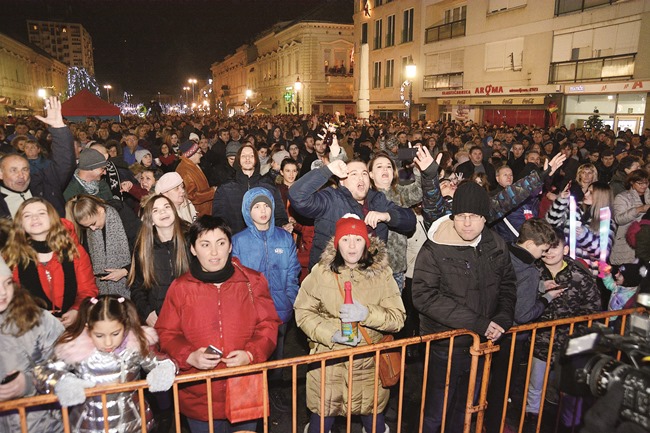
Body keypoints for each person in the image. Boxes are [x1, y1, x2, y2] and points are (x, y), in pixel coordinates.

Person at [155, 216, 281, 433]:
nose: (214, 253)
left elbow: (268, 324)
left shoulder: (253, 281)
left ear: (230, 246)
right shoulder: (180, 287)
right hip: (200, 394)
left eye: (220, 243)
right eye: (205, 245)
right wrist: (188, 356)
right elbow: (167, 332)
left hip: (244, 388)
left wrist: (251, 354)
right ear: (193, 249)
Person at [412, 181, 517, 433]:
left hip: (483, 345)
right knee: (435, 413)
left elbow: (508, 285)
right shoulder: (434, 248)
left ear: (484, 218)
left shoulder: (496, 244)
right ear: (453, 216)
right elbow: (424, 296)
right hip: (446, 346)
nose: (467, 223)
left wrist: (503, 318)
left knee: (468, 408)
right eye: (461, 216)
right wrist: (477, 323)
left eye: (474, 216)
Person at [294, 215, 405, 433]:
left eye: (358, 239)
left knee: (374, 425)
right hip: (328, 365)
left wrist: (366, 313)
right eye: (345, 240)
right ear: (336, 243)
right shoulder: (321, 272)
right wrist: (332, 334)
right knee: (320, 424)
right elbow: (303, 311)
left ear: (367, 243)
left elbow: (398, 317)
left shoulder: (381, 274)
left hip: (369, 367)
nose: (352, 246)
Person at [34, 295, 176, 433]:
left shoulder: (135, 346)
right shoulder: (74, 348)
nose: (108, 343)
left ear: (125, 326)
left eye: (115, 334)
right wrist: (62, 383)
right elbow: (44, 372)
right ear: (88, 327)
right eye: (99, 336)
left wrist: (165, 369)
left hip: (133, 424)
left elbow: (161, 361)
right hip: (88, 425)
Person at [484, 219, 564, 433]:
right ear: (530, 244)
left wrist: (538, 286)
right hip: (511, 337)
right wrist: (546, 297)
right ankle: (494, 426)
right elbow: (524, 314)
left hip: (488, 327)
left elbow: (511, 282)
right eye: (543, 249)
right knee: (502, 387)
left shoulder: (504, 251)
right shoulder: (530, 271)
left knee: (482, 380)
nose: (544, 255)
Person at [231, 187, 300, 410]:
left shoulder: (284, 238)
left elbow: (292, 272)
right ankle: (255, 397)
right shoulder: (238, 241)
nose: (263, 211)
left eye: (266, 206)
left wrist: (290, 300)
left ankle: (276, 391)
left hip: (279, 310)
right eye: (257, 207)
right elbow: (235, 278)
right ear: (247, 211)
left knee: (277, 355)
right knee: (254, 354)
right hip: (250, 313)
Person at [289, 158, 416, 269]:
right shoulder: (331, 199)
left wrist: (387, 216)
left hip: (369, 278)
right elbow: (297, 197)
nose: (361, 178)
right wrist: (327, 171)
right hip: (331, 278)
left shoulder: (378, 200)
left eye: (364, 174)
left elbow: (410, 221)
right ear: (342, 181)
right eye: (354, 174)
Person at [3, 198, 98, 327]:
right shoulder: (11, 257)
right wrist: (37, 317)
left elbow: (87, 290)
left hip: (73, 326)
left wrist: (76, 310)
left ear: (52, 218)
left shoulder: (74, 250)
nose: (35, 218)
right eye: (27, 215)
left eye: (41, 213)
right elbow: (10, 298)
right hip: (31, 326)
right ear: (20, 223)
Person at [0, 257, 65, 433]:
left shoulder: (37, 320)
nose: (3, 293)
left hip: (44, 425)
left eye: (7, 283)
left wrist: (30, 383)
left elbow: (67, 368)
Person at [0, 97, 75, 219]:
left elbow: (64, 163)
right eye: (14, 170)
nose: (21, 175)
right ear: (1, 174)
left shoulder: (45, 185)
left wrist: (58, 128)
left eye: (25, 169)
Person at [129, 195, 190, 327]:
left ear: (174, 211)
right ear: (150, 220)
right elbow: (137, 287)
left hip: (191, 314)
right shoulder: (144, 248)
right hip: (160, 318)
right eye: (155, 210)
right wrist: (147, 313)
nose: (162, 212)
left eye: (167, 207)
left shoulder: (191, 240)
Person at [65, 195, 138, 298]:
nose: (92, 229)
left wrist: (126, 271)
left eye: (93, 223)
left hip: (133, 284)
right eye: (88, 226)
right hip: (103, 291)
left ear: (100, 210)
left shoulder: (123, 215)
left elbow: (142, 249)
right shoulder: (90, 228)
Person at [212, 144, 289, 234]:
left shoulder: (268, 186)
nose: (247, 158)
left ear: (256, 160)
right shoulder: (225, 188)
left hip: (263, 240)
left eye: (251, 156)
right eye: (244, 156)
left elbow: (279, 215)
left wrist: (284, 225)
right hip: (235, 241)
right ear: (238, 160)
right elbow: (219, 220)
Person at [611, 169, 650, 265]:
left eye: (646, 183)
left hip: (646, 241)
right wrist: (639, 209)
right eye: (640, 183)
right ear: (632, 182)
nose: (644, 186)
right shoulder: (622, 197)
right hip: (627, 242)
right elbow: (618, 219)